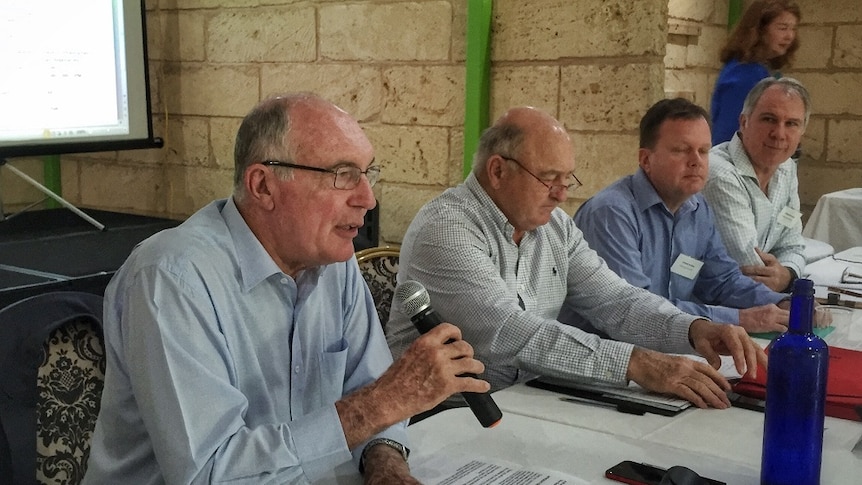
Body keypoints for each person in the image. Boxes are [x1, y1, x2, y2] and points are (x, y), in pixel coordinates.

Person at [83, 93, 491, 484]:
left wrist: (385, 466)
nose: (367, 198)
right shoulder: (172, 278)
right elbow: (209, 474)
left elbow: (370, 397)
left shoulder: (336, 264)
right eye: (342, 176)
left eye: (368, 173)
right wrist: (384, 402)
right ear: (263, 186)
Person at [386, 105, 767, 412]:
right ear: (498, 171)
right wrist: (637, 363)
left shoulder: (554, 227)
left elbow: (616, 299)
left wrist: (692, 329)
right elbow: (509, 332)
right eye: (549, 178)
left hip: (528, 399)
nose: (561, 194)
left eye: (568, 180)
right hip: (442, 415)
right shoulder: (447, 227)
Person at [572, 97, 788, 335]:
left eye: (703, 151)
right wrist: (739, 318)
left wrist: (781, 304)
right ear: (646, 159)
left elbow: (723, 281)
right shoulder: (611, 213)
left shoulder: (698, 208)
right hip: (608, 354)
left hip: (669, 344)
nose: (696, 162)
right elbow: (638, 310)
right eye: (682, 150)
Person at [702, 76, 810, 293]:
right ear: (744, 122)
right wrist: (783, 278)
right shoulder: (720, 173)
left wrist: (788, 273)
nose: (779, 134)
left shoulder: (786, 168)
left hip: (757, 299)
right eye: (769, 119)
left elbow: (793, 245)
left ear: (802, 131)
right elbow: (749, 267)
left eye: (791, 124)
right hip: (715, 304)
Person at [710, 0, 800, 145]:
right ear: (760, 30)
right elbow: (729, 135)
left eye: (793, 29)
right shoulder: (743, 75)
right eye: (782, 28)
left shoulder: (762, 70)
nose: (790, 36)